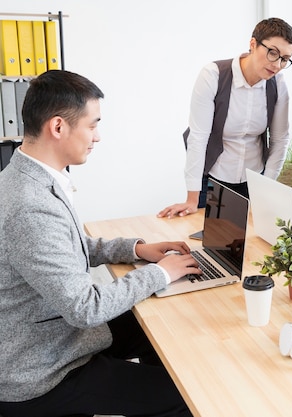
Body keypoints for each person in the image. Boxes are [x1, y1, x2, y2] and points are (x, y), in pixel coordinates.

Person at [0, 70, 201, 416]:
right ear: (59, 127)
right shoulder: (29, 205)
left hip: (54, 333)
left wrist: (136, 249)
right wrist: (161, 274)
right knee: (186, 393)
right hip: (43, 369)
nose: (98, 137)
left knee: (160, 330)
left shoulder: (32, 176)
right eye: (93, 125)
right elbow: (86, 308)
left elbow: (70, 249)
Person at [158, 17, 292, 218]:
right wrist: (192, 198)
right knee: (207, 241)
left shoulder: (278, 84)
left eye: (284, 59)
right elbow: (198, 137)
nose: (277, 64)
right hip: (213, 177)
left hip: (253, 178)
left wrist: (264, 191)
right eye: (272, 53)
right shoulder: (213, 76)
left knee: (249, 244)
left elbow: (280, 139)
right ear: (253, 44)